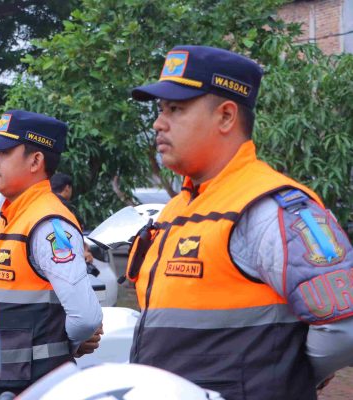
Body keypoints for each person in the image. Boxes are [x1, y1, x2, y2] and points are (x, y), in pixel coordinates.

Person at [126, 45, 353, 400]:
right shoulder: (174, 211)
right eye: (160, 110)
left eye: (176, 109)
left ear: (227, 116)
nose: (159, 123)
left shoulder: (271, 207)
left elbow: (344, 327)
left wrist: (288, 371)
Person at [0, 109, 103, 398]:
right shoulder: (12, 215)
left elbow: (85, 317)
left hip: (30, 386)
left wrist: (64, 345)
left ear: (35, 160)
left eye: (4, 152)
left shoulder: (49, 223)